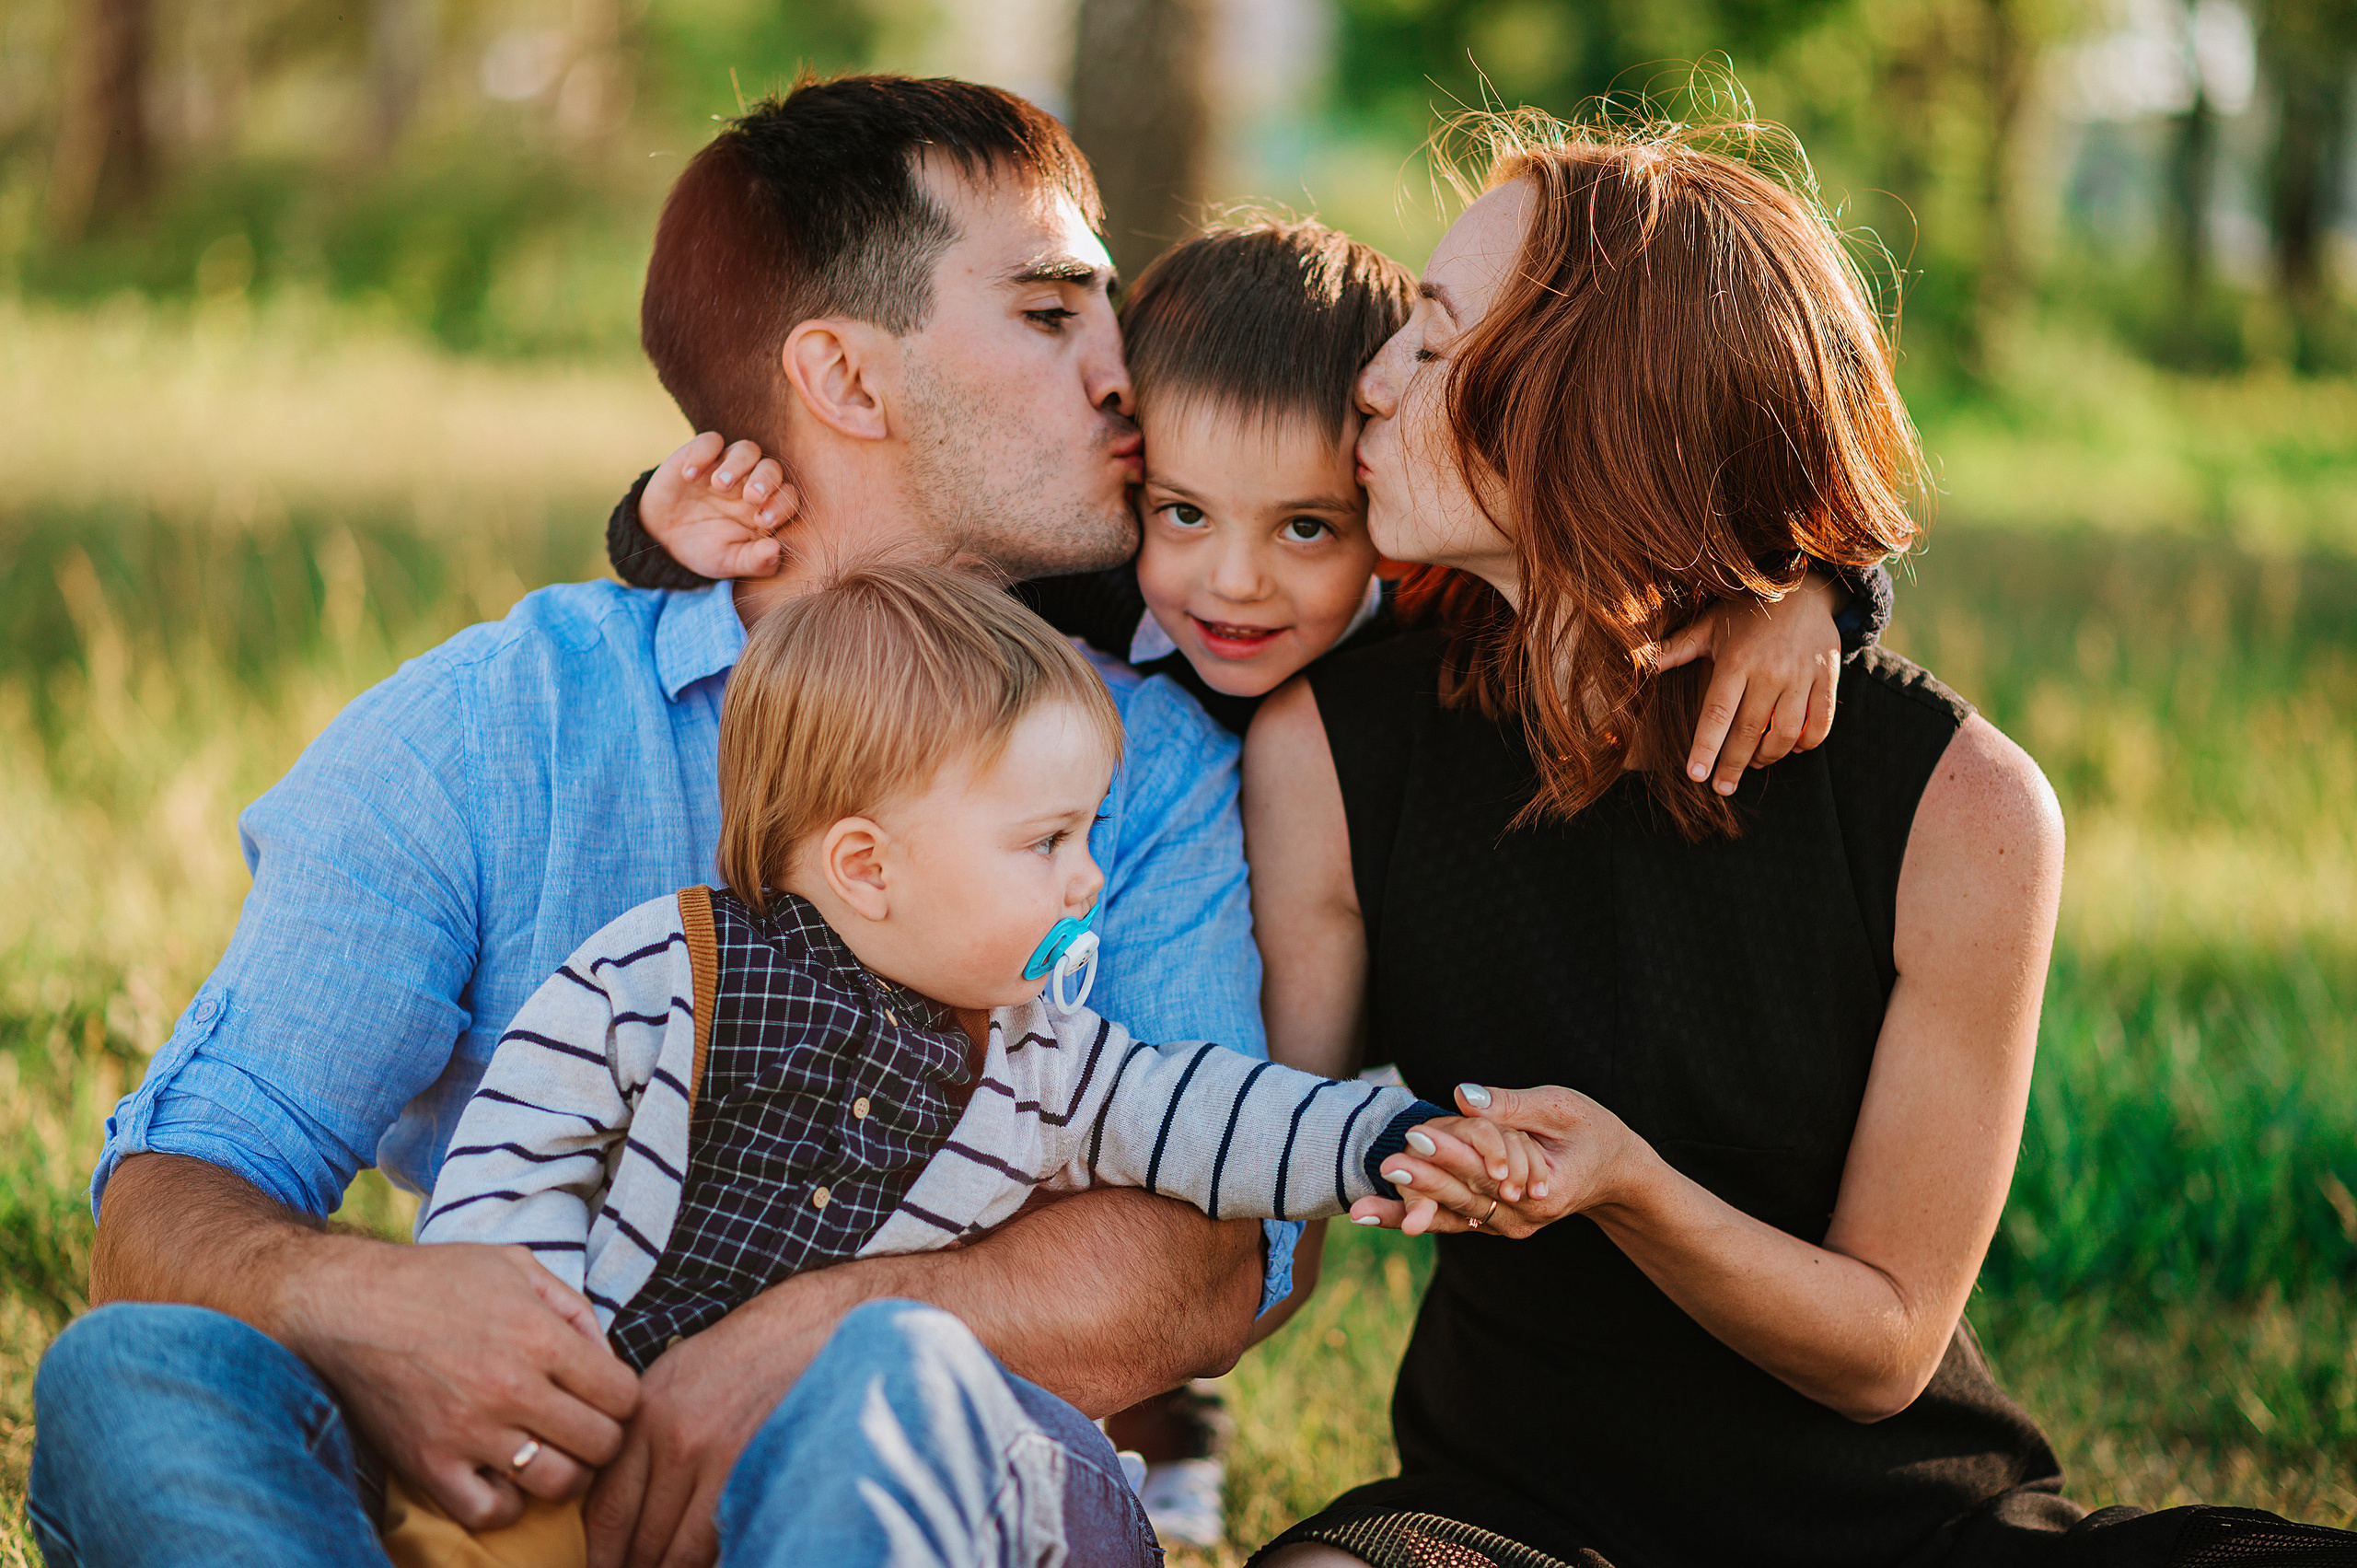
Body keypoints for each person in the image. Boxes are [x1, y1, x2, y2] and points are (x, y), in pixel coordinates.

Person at [31, 75, 1289, 1568]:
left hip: (947, 1480)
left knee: (888, 1382)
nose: (1123, 373)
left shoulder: (1151, 756)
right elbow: (175, 1196)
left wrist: (806, 1330)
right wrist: (368, 1302)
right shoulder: (500, 724)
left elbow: (1205, 1260)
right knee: (134, 1372)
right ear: (844, 375)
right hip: (535, 1486)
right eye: (1048, 312)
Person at [1240, 111, 2357, 1568]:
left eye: (1437, 349)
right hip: (1510, 1524)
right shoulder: (1336, 742)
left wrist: (1630, 1185)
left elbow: (1888, 1342)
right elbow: (1253, 1174)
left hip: (1910, 1532)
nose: (1373, 385)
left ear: (1598, 418)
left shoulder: (1963, 807)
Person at [390, 563, 1527, 1567]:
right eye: (1047, 841)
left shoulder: (1044, 1058)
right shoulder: (663, 974)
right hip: (559, 1453)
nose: (1087, 880)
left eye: (1087, 833)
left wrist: (1389, 1141)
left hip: (832, 1474)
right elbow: (520, 1150)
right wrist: (525, 1392)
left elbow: (1209, 1111)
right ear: (867, 866)